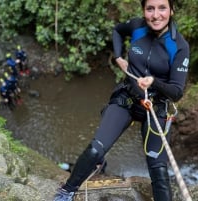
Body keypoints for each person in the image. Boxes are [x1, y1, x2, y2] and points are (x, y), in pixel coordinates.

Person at [53, 0, 190, 200]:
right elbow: (117, 30)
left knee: (159, 170)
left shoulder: (179, 46)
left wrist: (154, 82)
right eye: (150, 8)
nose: (156, 14)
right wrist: (118, 57)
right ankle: (66, 192)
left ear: (171, 10)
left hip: (156, 107)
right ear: (144, 10)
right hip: (127, 99)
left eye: (162, 8)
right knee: (95, 149)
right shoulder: (137, 27)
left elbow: (177, 92)